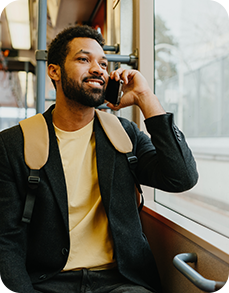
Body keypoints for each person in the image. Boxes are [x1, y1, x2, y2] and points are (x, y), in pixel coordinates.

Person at [0, 25, 198, 293]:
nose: (98, 69)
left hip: (119, 282)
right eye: (84, 59)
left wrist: (145, 98)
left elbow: (182, 176)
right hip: (49, 282)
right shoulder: (13, 144)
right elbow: (6, 240)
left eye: (103, 63)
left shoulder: (123, 136)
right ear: (54, 70)